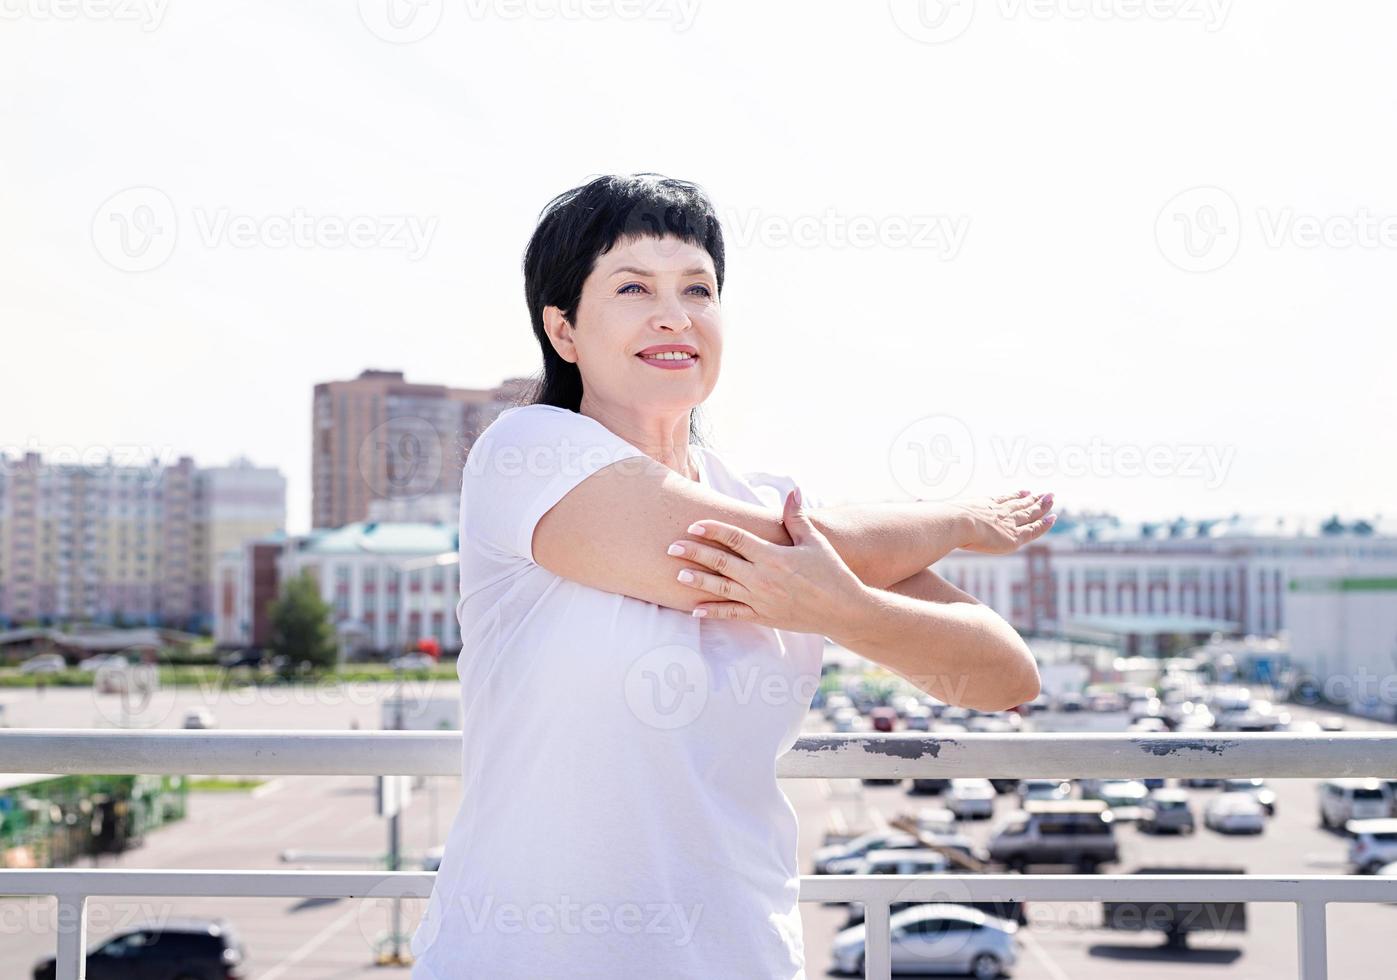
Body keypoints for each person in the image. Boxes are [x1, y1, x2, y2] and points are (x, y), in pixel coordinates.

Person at [410, 173, 1045, 978]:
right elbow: (723, 549)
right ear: (563, 330)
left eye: (697, 289)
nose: (673, 313)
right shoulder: (526, 453)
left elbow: (1002, 674)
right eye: (632, 286)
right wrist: (952, 520)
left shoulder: (771, 503)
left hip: (734, 954)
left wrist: (842, 609)